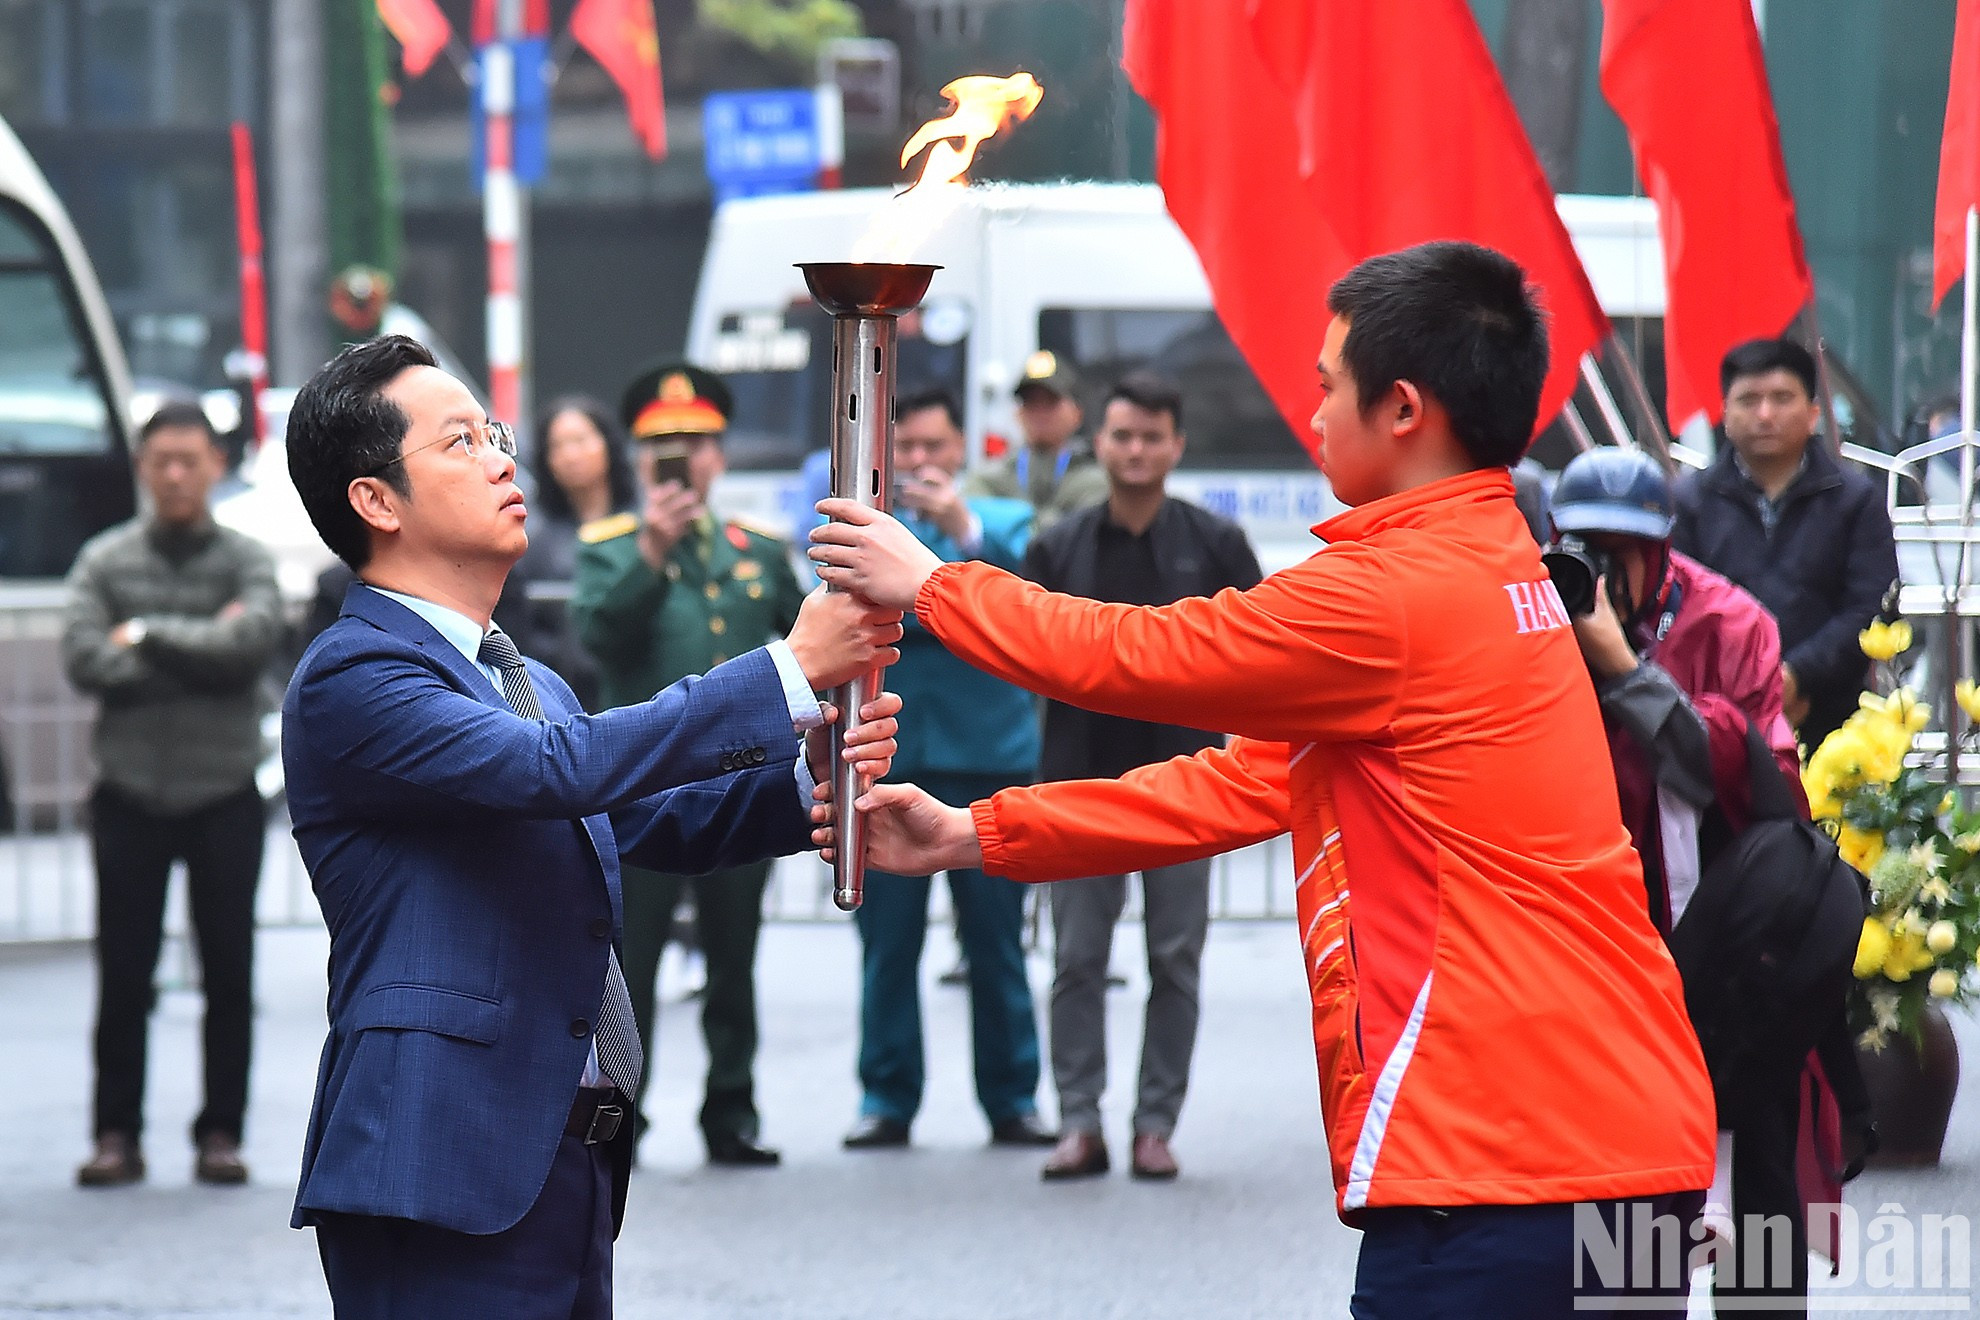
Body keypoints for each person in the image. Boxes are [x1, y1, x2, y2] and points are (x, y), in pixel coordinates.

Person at [812, 242, 1716, 1317]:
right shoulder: (1495, 558)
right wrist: (975, 833)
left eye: (1328, 384)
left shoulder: (1396, 592)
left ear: (1404, 409)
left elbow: (1145, 657)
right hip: (1613, 1141)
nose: (1313, 409)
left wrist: (933, 586)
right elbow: (1236, 787)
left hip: (1505, 1159)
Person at [279, 335, 902, 1317]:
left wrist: (808, 783)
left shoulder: (526, 681)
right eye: (461, 443)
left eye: (494, 434)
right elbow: (551, 773)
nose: (501, 459)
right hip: (437, 1160)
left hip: (557, 1155)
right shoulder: (357, 675)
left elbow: (644, 818)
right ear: (377, 500)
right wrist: (787, 671)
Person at [1553, 447, 1869, 1313]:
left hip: (1736, 951)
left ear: (1664, 546)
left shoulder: (1729, 622)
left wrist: (1623, 666)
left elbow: (1750, 781)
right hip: (1603, 955)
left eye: (1626, 547)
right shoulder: (1533, 622)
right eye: (1583, 544)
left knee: (1762, 1203)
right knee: (1625, 1221)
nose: (1603, 567)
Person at [1020, 372, 1261, 1183]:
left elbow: (1257, 655)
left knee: (1175, 959)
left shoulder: (1218, 544)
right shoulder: (1058, 547)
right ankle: (1079, 1122)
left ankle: (1156, 1124)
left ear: (1176, 445)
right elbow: (1029, 656)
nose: (1135, 450)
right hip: (1077, 785)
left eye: (1151, 437)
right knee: (1076, 959)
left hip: (1189, 787)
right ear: (1101, 440)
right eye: (1122, 435)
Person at [571, 362, 807, 1168]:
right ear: (637, 461)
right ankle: (621, 1119)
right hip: (640, 791)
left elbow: (803, 645)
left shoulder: (759, 550)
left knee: (733, 958)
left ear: (721, 457)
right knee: (626, 966)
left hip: (740, 789)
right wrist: (653, 552)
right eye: (664, 447)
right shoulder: (610, 549)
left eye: (698, 445)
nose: (684, 461)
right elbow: (601, 639)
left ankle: (731, 1112)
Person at [61, 400, 284, 1189]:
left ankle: (221, 1132)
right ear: (143, 467)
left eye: (192, 460)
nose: (178, 475)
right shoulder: (104, 560)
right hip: (129, 793)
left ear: (217, 465)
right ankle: (115, 1133)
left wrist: (147, 636)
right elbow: (86, 660)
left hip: (223, 791)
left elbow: (251, 642)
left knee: (230, 972)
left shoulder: (248, 558)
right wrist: (200, 646)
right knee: (123, 974)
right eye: (164, 461)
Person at [840, 387, 1056, 1152]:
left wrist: (961, 534)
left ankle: (1013, 1097)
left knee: (997, 943)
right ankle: (886, 1096)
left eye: (937, 448)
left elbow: (1033, 600)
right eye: (910, 451)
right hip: (890, 761)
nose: (924, 463)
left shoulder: (999, 523)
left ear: (963, 450)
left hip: (987, 760)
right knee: (887, 945)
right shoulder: (868, 532)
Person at [1672, 338, 1899, 756]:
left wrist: (1797, 676)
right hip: (1716, 723)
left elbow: (1871, 607)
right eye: (1749, 400)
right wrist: (1748, 685)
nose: (1765, 414)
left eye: (1781, 398)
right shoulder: (1689, 502)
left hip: (1834, 724)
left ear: (1813, 413)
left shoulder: (1854, 499)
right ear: (1724, 414)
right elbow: (1678, 609)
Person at [518, 397, 639, 710]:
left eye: (581, 441)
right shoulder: (534, 541)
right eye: (557, 446)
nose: (570, 455)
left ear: (607, 445)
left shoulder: (647, 529)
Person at [967, 350, 1108, 532]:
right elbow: (973, 525)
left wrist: (1007, 523)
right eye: (1030, 403)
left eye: (1051, 402)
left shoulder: (1095, 479)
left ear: (1077, 413)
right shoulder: (990, 477)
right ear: (1017, 414)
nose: (1040, 413)